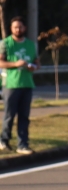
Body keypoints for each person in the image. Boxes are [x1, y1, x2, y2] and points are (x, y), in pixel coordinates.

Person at [0, 16, 38, 154]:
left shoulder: (31, 45)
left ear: (24, 28)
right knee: (9, 115)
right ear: (11, 29)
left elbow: (37, 62)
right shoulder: (6, 43)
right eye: (15, 27)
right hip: (11, 84)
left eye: (20, 27)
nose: (18, 30)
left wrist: (33, 67)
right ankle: (4, 141)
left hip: (27, 83)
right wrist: (15, 64)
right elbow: (1, 62)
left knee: (24, 116)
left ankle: (22, 144)